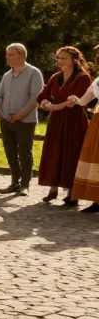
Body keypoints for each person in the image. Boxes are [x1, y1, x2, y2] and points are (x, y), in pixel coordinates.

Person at [37, 46, 92, 206]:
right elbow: (42, 95)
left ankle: (73, 193)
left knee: (71, 153)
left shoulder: (83, 78)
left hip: (74, 121)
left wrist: (52, 106)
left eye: (63, 58)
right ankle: (53, 188)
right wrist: (45, 102)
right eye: (58, 58)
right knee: (54, 152)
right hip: (56, 121)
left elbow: (74, 102)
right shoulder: (55, 77)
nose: (60, 61)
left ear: (74, 60)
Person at [0, 44, 44, 196]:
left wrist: (19, 115)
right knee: (10, 153)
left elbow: (35, 98)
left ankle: (25, 185)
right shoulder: (7, 75)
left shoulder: (34, 73)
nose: (7, 57)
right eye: (7, 54)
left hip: (25, 121)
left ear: (22, 55)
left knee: (24, 153)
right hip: (6, 120)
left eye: (11, 54)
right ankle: (14, 182)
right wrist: (3, 113)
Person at [63, 47, 99, 213]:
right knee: (95, 158)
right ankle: (97, 199)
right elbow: (84, 101)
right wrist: (74, 99)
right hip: (97, 122)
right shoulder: (97, 80)